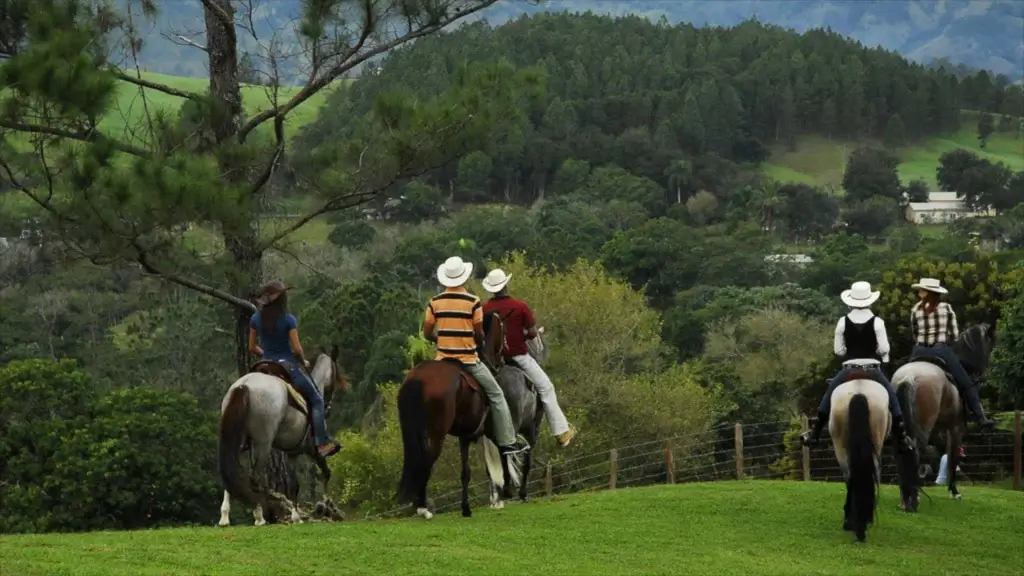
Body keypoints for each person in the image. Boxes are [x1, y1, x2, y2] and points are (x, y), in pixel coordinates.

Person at [423, 256, 531, 457]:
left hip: (443, 360)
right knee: (497, 395)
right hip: (467, 360)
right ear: (463, 278)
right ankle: (508, 442)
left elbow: (427, 333)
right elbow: (480, 334)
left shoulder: (434, 302)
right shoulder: (473, 302)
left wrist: (442, 338)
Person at [803, 281, 913, 451]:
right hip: (873, 369)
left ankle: (815, 432)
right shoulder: (878, 322)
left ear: (850, 301)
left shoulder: (842, 321)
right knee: (892, 396)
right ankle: (901, 433)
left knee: (828, 395)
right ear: (870, 301)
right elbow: (884, 349)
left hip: (849, 368)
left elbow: (838, 351)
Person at [482, 268, 578, 448]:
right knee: (546, 388)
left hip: (492, 362)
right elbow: (533, 333)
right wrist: (521, 334)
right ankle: (561, 432)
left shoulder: (484, 308)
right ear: (506, 285)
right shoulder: (520, 306)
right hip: (518, 357)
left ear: (491, 289)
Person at [249, 280, 340, 457]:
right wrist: (303, 361)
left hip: (264, 364)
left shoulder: (255, 319)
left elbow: (251, 347)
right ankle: (322, 444)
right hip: (286, 365)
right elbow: (297, 350)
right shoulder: (289, 319)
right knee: (317, 400)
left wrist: (266, 355)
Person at [909, 277, 995, 429]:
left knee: (905, 381)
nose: (919, 292)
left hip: (919, 350)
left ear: (927, 293)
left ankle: (897, 417)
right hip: (940, 350)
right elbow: (955, 335)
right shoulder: (946, 308)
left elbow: (914, 332)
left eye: (922, 290)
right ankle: (980, 416)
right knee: (966, 383)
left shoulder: (915, 309)